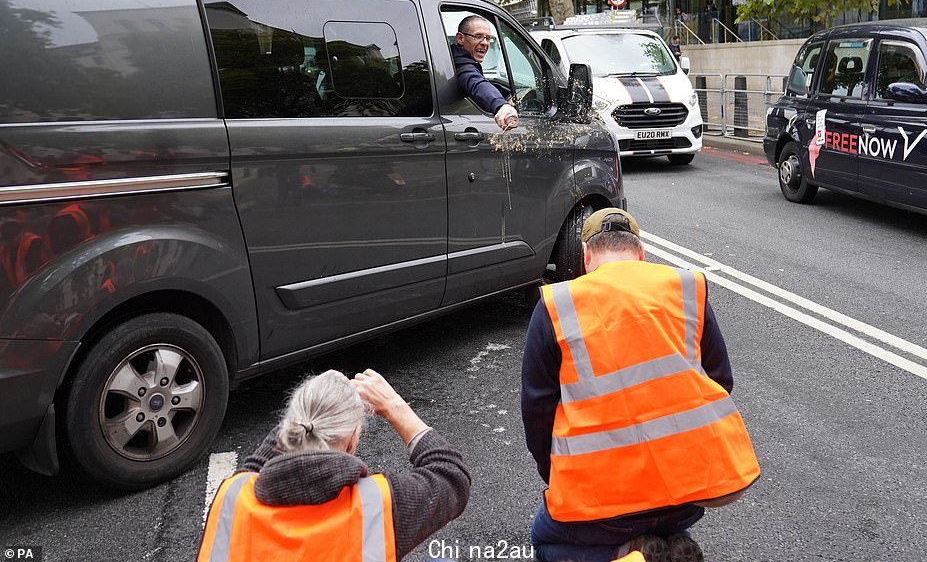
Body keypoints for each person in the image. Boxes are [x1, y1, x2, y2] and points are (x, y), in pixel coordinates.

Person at [521, 208, 760, 562]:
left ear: (586, 257)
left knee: (545, 541)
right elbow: (720, 380)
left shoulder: (558, 305)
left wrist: (554, 473)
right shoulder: (686, 288)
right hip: (683, 495)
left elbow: (537, 411)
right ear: (641, 253)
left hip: (602, 505)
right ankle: (666, 540)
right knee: (662, 523)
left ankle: (629, 554)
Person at [198, 368, 471, 561]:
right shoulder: (377, 509)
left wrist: (315, 402)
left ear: (291, 427)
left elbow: (256, 466)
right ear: (353, 440)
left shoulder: (231, 499)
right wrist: (393, 404)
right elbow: (451, 475)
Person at [451, 15, 519, 130]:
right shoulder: (460, 64)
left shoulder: (455, 57)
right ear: (460, 38)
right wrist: (501, 105)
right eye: (478, 36)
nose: (485, 43)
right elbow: (475, 82)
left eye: (488, 38)